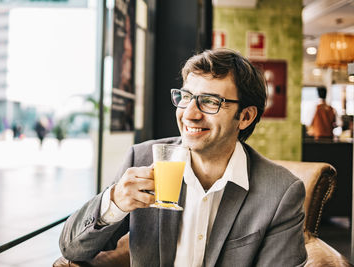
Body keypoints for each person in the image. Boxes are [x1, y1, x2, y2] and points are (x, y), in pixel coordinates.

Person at [59, 49, 307, 266]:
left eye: (210, 102)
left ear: (245, 117)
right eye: (186, 97)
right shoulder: (143, 158)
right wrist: (113, 202)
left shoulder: (280, 192)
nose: (189, 114)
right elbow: (71, 249)